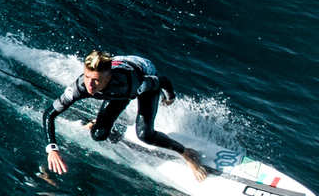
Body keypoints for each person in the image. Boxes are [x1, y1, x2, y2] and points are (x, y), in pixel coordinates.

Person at [43, 50, 210, 180]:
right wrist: (52, 149)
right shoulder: (80, 86)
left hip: (142, 72)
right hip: (116, 87)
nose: (90, 85)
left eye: (96, 80)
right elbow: (49, 114)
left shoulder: (131, 83)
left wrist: (170, 96)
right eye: (87, 77)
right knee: (99, 135)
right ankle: (98, 123)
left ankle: (186, 153)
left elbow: (162, 80)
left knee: (145, 135)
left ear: (108, 76)